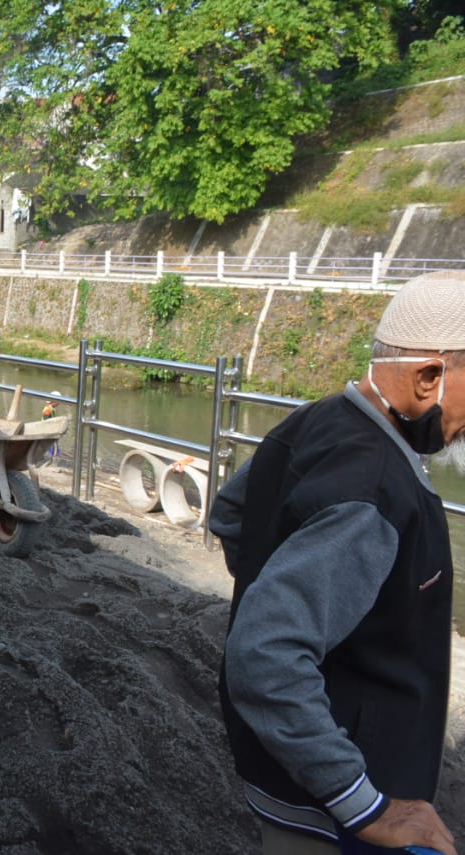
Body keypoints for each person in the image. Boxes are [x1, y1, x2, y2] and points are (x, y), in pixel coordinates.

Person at [211, 270, 463, 855]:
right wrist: (365, 807)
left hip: (287, 774)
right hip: (333, 809)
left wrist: (287, 588)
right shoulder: (372, 488)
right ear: (430, 377)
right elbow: (264, 654)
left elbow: (230, 514)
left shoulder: (318, 418)